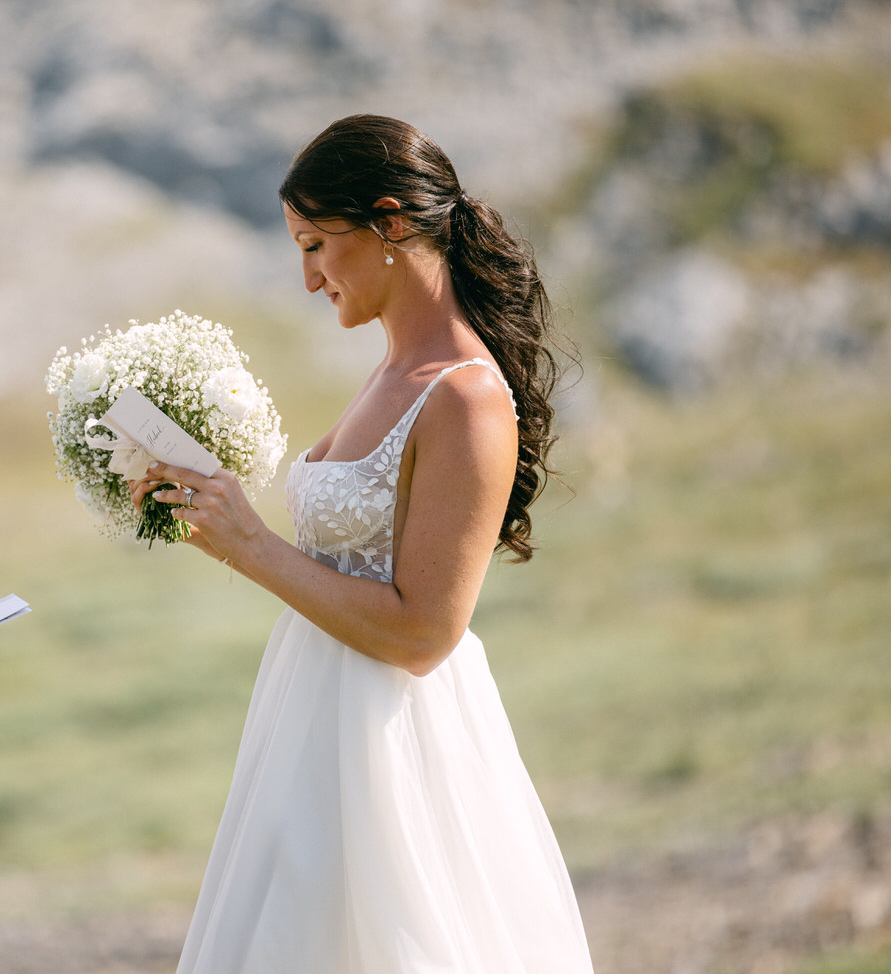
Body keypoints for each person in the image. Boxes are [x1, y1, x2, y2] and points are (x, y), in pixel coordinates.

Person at [132, 114, 595, 973]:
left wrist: (252, 547)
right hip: (307, 727)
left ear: (387, 223)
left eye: (315, 244)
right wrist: (204, 516)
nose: (308, 277)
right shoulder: (387, 374)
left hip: (393, 755)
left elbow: (425, 633)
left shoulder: (465, 399)